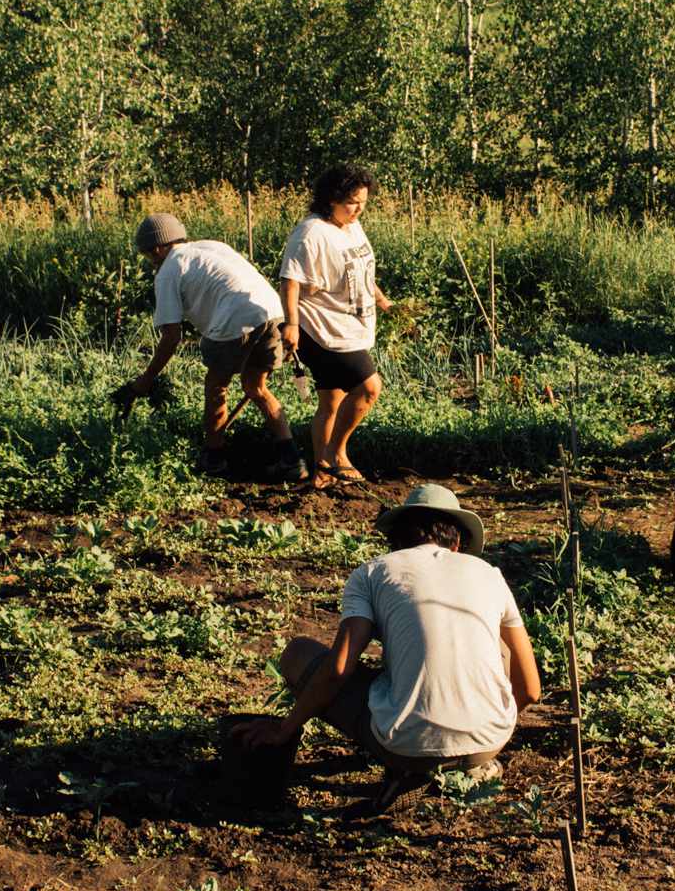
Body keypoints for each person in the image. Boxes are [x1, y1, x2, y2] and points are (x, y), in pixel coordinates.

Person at [237, 484, 544, 813]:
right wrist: (480, 727)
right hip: (488, 743)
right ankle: (464, 766)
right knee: (495, 645)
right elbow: (530, 688)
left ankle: (413, 766)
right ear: (457, 542)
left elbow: (339, 668)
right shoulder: (489, 574)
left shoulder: (373, 572)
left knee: (298, 653)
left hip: (404, 745)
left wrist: (286, 728)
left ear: (396, 540)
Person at [118, 214, 298, 474]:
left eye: (148, 256)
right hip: (272, 312)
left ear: (157, 249)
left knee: (216, 387)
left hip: (236, 318)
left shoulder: (168, 270)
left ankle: (214, 458)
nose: (150, 262)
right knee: (255, 386)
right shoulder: (212, 246)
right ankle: (291, 458)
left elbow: (171, 337)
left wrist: (147, 378)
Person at [278, 164, 383, 490]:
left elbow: (361, 270)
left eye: (363, 202)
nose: (358, 209)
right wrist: (292, 325)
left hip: (350, 325)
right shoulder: (310, 233)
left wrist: (382, 299)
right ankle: (336, 453)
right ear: (331, 198)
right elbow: (290, 281)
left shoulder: (351, 226)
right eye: (352, 202)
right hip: (322, 331)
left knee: (332, 402)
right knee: (369, 388)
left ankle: (321, 476)